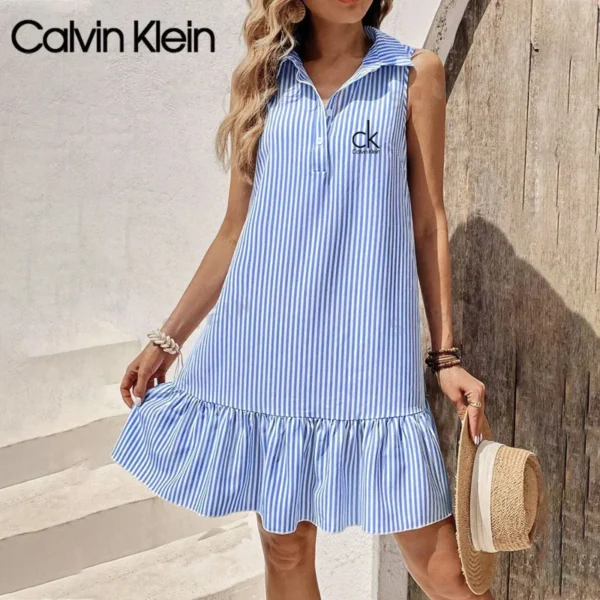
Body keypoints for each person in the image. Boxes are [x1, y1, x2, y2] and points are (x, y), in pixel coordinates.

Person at [111, 1, 493, 598]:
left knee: (444, 568)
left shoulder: (412, 73)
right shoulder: (264, 80)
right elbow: (235, 231)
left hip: (366, 355)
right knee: (285, 548)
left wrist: (446, 357)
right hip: (267, 350)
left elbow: (428, 223)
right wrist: (169, 338)